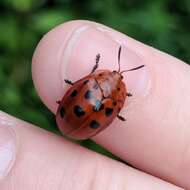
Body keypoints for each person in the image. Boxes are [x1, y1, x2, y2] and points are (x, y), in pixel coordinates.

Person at [0, 20, 189, 189]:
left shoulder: (94, 82)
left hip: (69, 117)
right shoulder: (116, 100)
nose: (117, 74)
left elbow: (80, 84)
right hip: (78, 126)